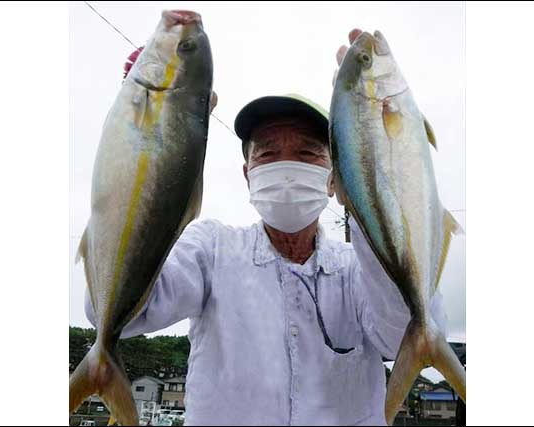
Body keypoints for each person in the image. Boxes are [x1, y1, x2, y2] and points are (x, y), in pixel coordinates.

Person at [86, 29, 448, 426]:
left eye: (308, 153)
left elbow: (399, 331)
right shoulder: (211, 251)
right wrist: (149, 141)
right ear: (247, 174)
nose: (286, 166)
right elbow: (123, 311)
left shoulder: (356, 267)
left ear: (334, 177)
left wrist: (371, 145)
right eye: (268, 154)